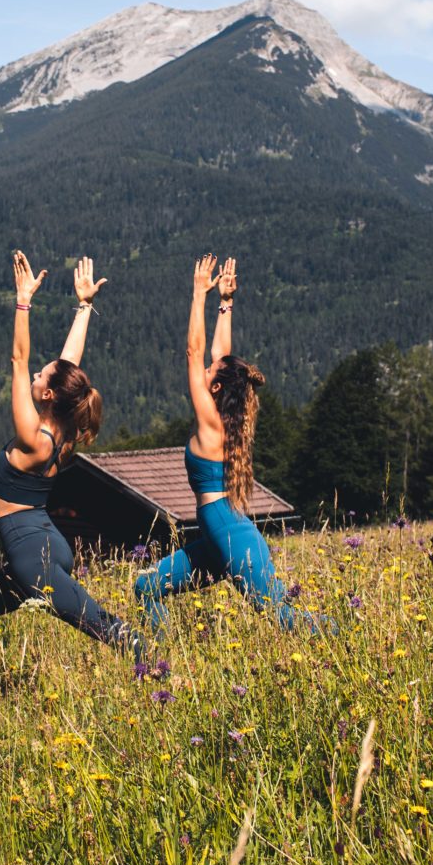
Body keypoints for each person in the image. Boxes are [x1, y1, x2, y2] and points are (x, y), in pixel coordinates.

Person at [0, 251, 142, 676]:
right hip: (48, 545)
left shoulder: (35, 439)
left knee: (107, 628)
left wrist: (23, 301)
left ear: (46, 396)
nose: (36, 376)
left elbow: (18, 361)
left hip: (32, 557)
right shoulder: (62, 431)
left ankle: (160, 674)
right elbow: (68, 365)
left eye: (41, 378)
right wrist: (84, 306)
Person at [135, 255, 326, 634]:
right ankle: (155, 661)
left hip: (233, 538)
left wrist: (197, 294)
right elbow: (219, 356)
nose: (206, 369)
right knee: (147, 586)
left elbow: (194, 353)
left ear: (217, 388)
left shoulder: (212, 425)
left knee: (283, 618)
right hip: (216, 539)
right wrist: (225, 302)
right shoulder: (228, 421)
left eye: (211, 373)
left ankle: (342, 632)